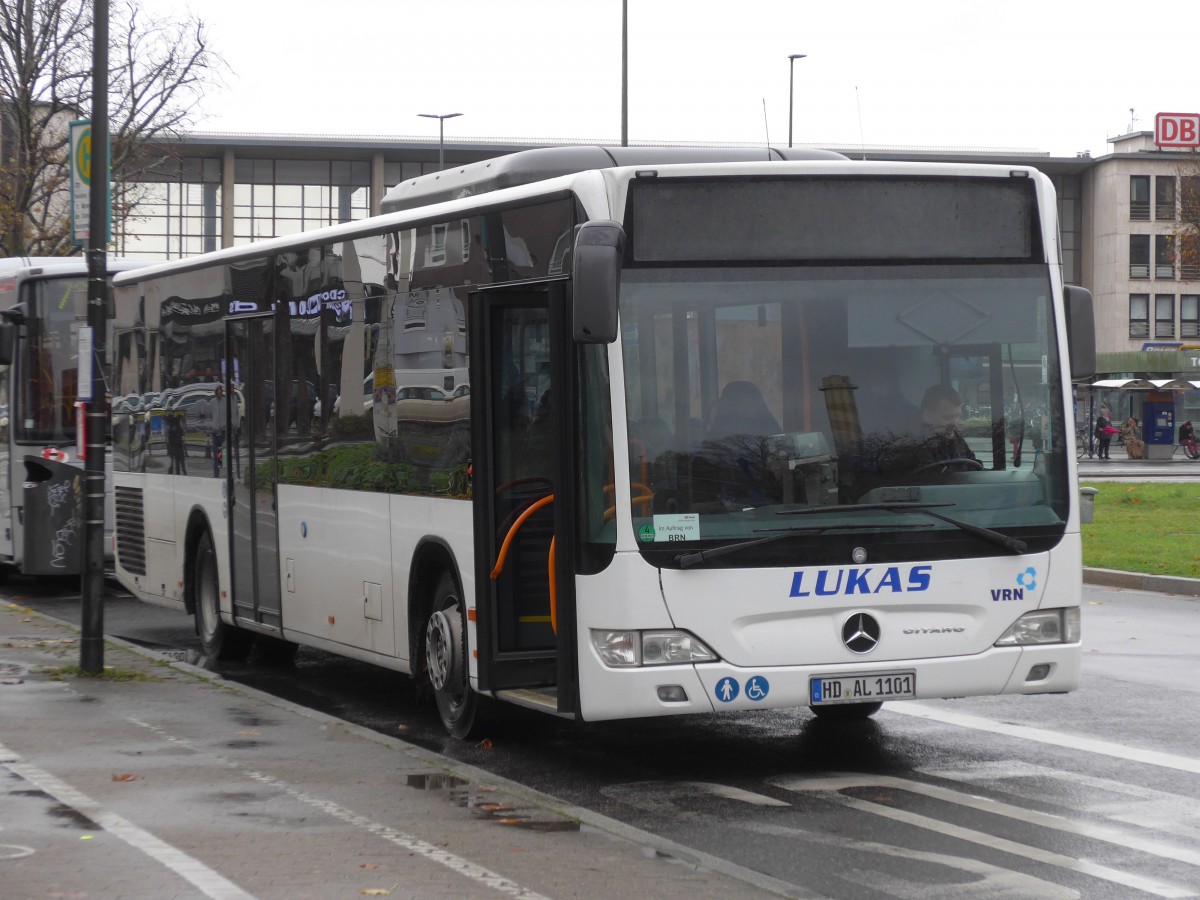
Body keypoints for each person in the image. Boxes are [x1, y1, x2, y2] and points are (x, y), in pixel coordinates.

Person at [916, 384, 977, 465]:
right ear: (927, 415)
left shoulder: (956, 437)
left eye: (957, 416)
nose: (955, 424)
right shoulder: (915, 444)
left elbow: (973, 463)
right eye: (948, 418)